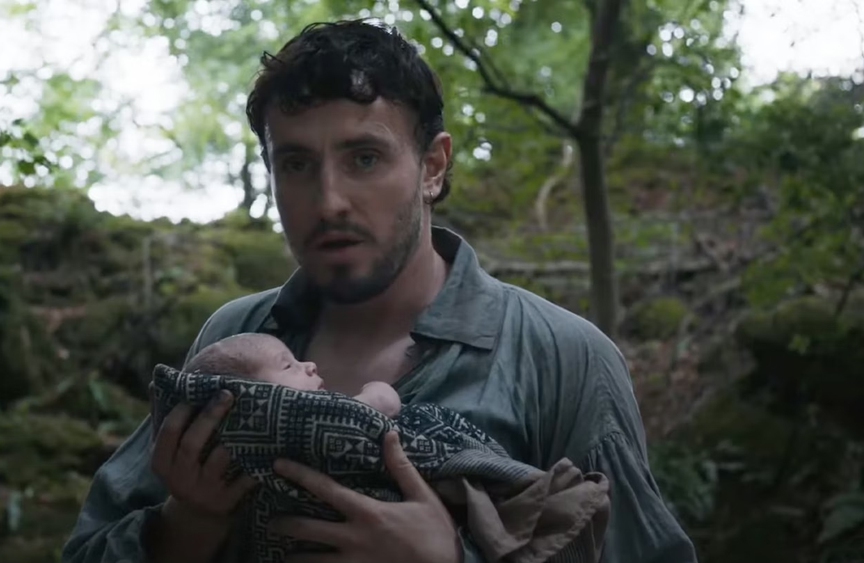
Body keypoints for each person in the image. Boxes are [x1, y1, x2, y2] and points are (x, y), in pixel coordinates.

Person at [61, 18, 698, 563]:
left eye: (364, 158)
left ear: (432, 168)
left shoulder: (561, 357)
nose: (329, 201)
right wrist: (185, 527)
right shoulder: (235, 338)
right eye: (296, 164)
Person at [179, 332, 402, 417]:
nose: (311, 365)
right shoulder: (298, 430)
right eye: (287, 366)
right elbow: (385, 403)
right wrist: (372, 396)